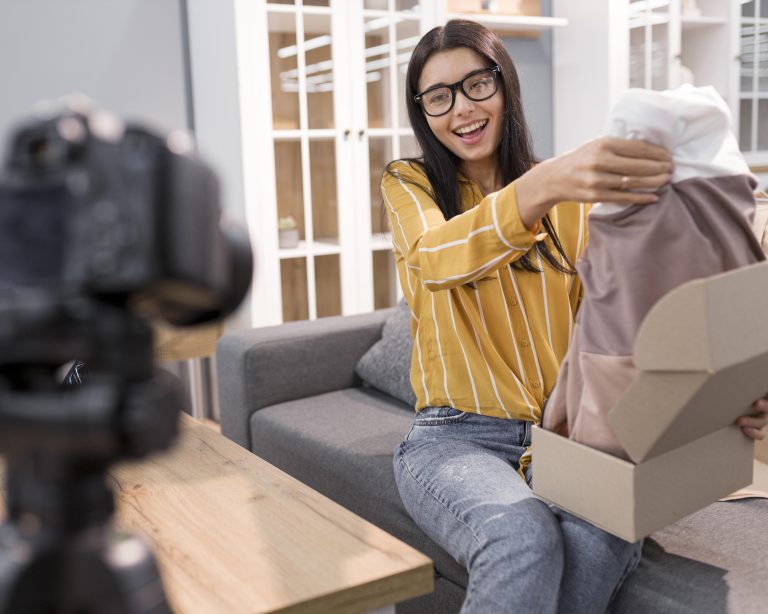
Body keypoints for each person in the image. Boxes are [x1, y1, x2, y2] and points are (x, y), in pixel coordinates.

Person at [381, 19, 768, 614]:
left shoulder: (572, 200)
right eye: (438, 97)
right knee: (522, 536)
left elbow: (612, 329)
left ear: (505, 85)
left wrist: (719, 395)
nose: (461, 108)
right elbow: (433, 259)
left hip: (566, 441)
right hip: (455, 437)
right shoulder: (410, 183)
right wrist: (542, 185)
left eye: (477, 84)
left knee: (602, 535)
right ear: (422, 111)